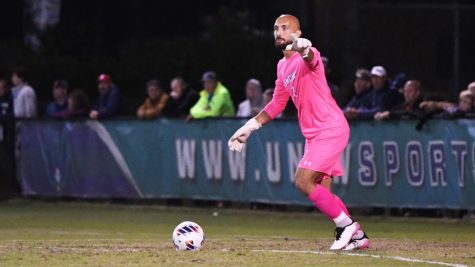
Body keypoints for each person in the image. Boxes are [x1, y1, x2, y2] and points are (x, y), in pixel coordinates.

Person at [228, 14, 369, 251]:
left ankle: (348, 227)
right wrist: (249, 127)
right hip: (314, 135)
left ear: (298, 33)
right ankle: (359, 237)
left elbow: (312, 59)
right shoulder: (282, 65)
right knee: (323, 193)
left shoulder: (307, 54)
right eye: (275, 29)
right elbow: (277, 104)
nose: (279, 32)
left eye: (285, 28)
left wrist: (306, 49)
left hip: (330, 128)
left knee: (302, 181)